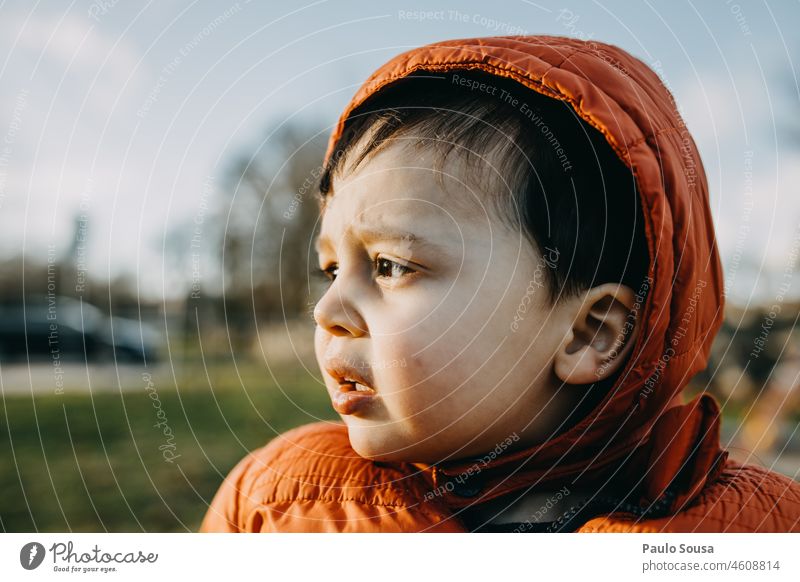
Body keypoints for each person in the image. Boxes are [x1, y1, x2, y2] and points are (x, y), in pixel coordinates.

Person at [200, 35, 800, 532]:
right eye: (332, 269)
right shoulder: (277, 506)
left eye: (390, 266)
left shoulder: (754, 531)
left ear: (588, 335)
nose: (329, 308)